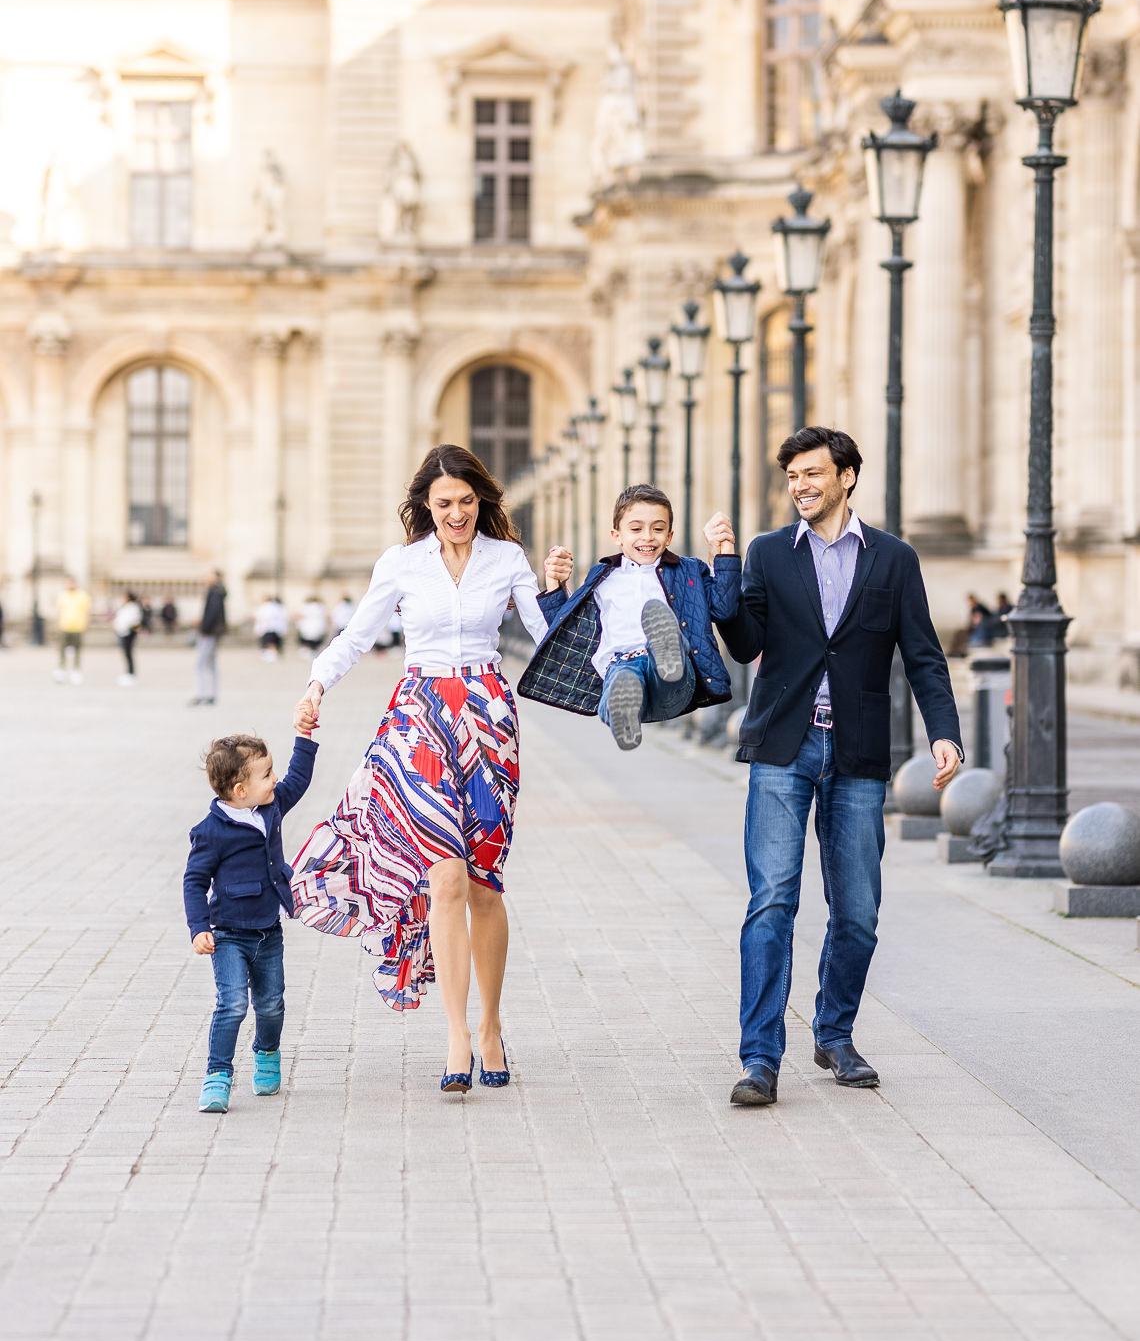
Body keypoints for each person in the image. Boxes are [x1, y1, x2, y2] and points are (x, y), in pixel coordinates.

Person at [709, 426, 963, 1110]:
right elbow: (746, 642)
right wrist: (725, 574)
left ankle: (836, 1033)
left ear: (847, 477)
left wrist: (944, 732)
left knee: (857, 911)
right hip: (783, 749)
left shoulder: (893, 559)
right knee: (772, 904)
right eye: (793, 476)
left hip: (856, 753)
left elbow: (924, 653)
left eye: (814, 474)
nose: (801, 486)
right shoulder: (767, 552)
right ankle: (760, 1059)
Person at [290, 444, 555, 1095]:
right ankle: (458, 1038)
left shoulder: (507, 559)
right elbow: (358, 633)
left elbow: (547, 635)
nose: (457, 514)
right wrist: (316, 684)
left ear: (482, 503)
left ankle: (490, 1026)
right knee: (446, 881)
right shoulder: (402, 563)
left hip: (490, 716)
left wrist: (566, 592)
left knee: (485, 884)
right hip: (421, 715)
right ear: (425, 507)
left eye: (467, 502)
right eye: (444, 504)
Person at [518, 483, 740, 751]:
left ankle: (665, 650)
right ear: (617, 535)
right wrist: (555, 584)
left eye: (658, 529)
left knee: (667, 656)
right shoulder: (603, 577)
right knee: (623, 675)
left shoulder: (689, 571)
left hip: (673, 683)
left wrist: (723, 549)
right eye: (636, 529)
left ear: (669, 536)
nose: (647, 537)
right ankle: (623, 713)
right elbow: (572, 634)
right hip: (619, 665)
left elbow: (725, 609)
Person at [183, 717, 318, 1114]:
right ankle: (218, 1075)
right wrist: (198, 928)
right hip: (226, 934)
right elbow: (193, 882)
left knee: (271, 1003)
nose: (274, 780)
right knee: (232, 1005)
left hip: (268, 931)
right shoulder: (211, 832)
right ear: (240, 791)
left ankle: (267, 1053)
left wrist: (305, 736)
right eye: (266, 775)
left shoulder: (270, 806)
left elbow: (299, 779)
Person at [191, 570, 227, 707]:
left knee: (202, 664)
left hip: (209, 633)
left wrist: (204, 628)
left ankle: (203, 694)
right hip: (213, 632)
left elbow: (211, 614)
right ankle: (211, 694)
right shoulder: (219, 592)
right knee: (211, 664)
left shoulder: (214, 593)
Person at [55, 575, 91, 684]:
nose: (70, 585)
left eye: (72, 583)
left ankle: (76, 672)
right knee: (62, 651)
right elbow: (59, 611)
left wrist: (86, 625)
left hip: (78, 627)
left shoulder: (83, 596)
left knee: (77, 651)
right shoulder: (63, 595)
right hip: (64, 626)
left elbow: (87, 612)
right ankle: (61, 671)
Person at [113, 590, 144, 686]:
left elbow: (132, 621)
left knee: (128, 654)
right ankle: (128, 673)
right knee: (126, 654)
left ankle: (131, 674)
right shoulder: (126, 607)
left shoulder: (133, 607)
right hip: (123, 633)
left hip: (128, 633)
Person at [254, 595, 289, 660]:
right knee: (271, 642)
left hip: (268, 627)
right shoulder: (277, 607)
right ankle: (270, 654)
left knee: (270, 642)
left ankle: (272, 655)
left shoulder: (265, 607)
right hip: (274, 628)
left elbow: (262, 618)